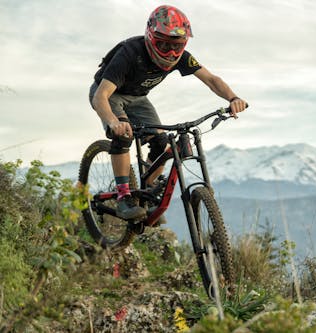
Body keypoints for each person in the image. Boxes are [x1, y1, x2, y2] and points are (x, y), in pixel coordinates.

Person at [89, 5, 247, 220]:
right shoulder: (129, 53)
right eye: (163, 44)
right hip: (110, 95)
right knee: (123, 134)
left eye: (177, 45)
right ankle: (123, 197)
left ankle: (148, 191)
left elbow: (211, 80)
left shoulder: (181, 57)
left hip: (139, 98)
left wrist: (233, 97)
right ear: (151, 37)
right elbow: (101, 97)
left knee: (161, 142)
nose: (171, 51)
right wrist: (112, 121)